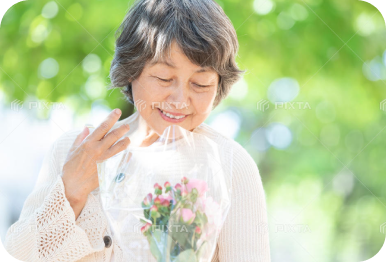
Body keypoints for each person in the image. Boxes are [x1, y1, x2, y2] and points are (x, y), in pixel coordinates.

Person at [4, 0, 271, 261]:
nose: (179, 100)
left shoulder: (231, 164)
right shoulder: (73, 149)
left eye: (200, 84)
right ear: (131, 71)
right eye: (164, 78)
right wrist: (71, 193)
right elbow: (19, 256)